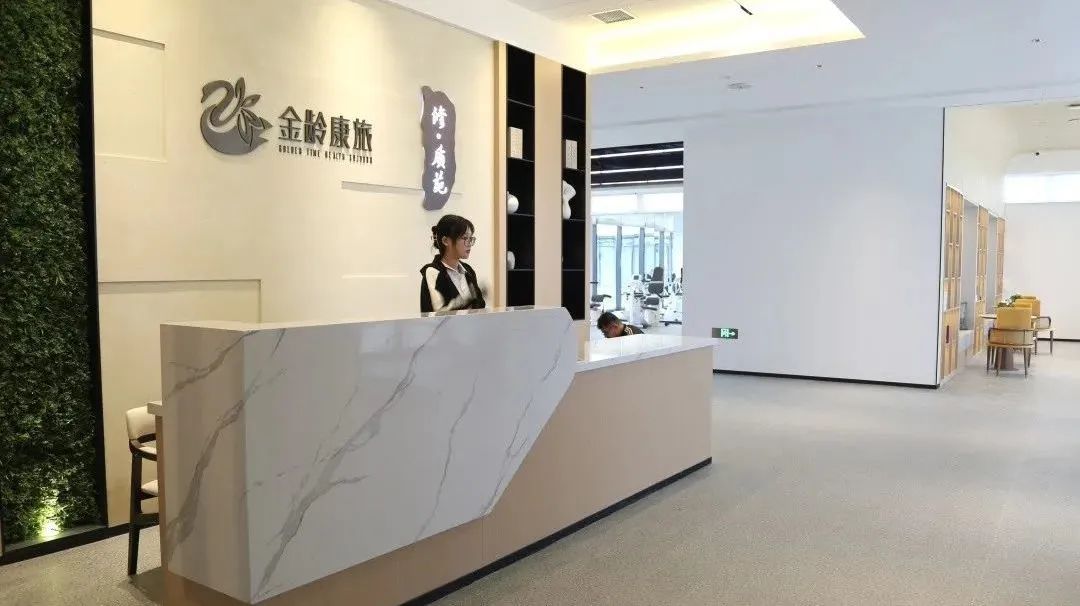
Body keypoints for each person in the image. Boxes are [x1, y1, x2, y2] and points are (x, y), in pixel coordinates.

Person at [420, 214, 487, 313]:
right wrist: (468, 299)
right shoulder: (433, 271)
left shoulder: (468, 270)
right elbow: (440, 313)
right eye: (465, 238)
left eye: (471, 238)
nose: (469, 243)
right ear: (445, 241)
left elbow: (479, 308)